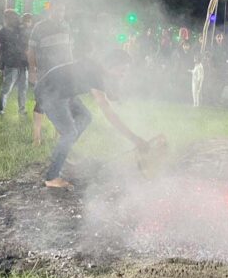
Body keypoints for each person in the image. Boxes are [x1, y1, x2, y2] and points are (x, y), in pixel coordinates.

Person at [34, 50, 149, 189]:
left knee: (85, 117)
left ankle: (61, 154)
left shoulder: (98, 71)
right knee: (69, 133)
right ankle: (52, 178)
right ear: (112, 65)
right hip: (49, 93)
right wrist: (134, 138)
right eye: (122, 70)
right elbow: (107, 110)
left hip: (61, 92)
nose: (124, 74)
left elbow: (111, 95)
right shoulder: (95, 74)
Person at [28, 0, 72, 145]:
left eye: (63, 10)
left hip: (63, 71)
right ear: (50, 10)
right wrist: (33, 70)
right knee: (41, 102)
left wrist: (71, 67)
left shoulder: (66, 26)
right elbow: (31, 50)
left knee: (61, 102)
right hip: (45, 72)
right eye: (58, 10)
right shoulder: (39, 27)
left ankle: (58, 135)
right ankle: (36, 137)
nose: (61, 13)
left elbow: (68, 49)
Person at [0, 9, 30, 118]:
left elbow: (26, 41)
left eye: (16, 17)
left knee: (23, 89)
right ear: (7, 19)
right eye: (13, 17)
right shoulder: (2, 32)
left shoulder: (20, 30)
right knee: (6, 88)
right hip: (11, 63)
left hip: (23, 63)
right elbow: (10, 46)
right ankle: (0, 110)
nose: (16, 19)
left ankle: (22, 110)